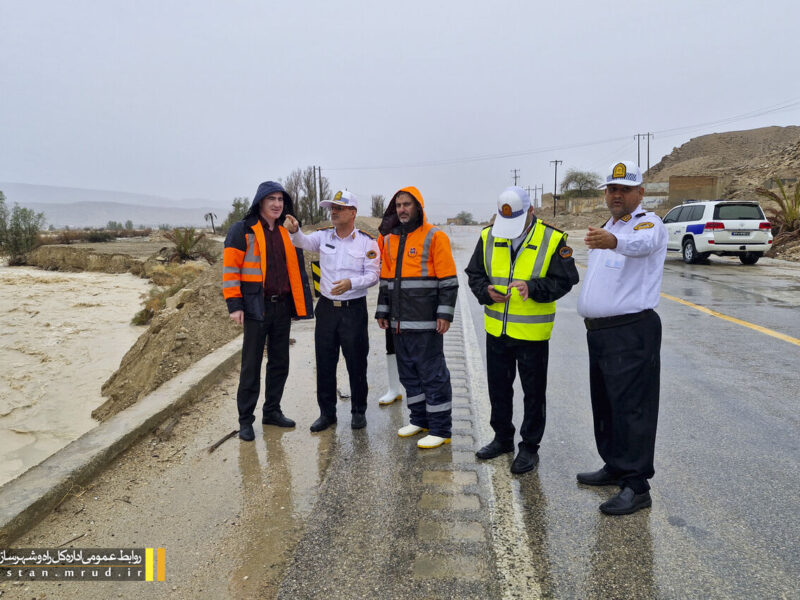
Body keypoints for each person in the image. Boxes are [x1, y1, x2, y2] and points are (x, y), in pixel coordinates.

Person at [576, 160, 668, 515]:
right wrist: (610, 235)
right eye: (612, 189)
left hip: (631, 330)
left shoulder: (647, 224)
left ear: (640, 193)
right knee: (606, 404)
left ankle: (636, 484)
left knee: (632, 408)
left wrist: (614, 240)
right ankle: (614, 465)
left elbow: (641, 243)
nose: (616, 195)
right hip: (601, 334)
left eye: (624, 189)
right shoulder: (608, 225)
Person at [466, 187, 579, 473]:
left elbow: (566, 280)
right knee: (499, 390)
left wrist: (534, 288)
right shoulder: (488, 235)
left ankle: (529, 447)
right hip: (497, 331)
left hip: (532, 335)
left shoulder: (553, 239)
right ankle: (503, 438)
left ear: (531, 212)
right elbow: (475, 274)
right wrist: (486, 291)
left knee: (533, 393)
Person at [223, 181, 313, 441]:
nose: (277, 204)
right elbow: (231, 272)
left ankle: (272, 411)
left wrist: (299, 305)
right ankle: (245, 421)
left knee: (279, 362)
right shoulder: (242, 231)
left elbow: (296, 270)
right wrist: (235, 305)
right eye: (271, 199)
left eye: (280, 200)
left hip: (282, 307)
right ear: (260, 202)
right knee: (250, 366)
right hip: (255, 308)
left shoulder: (287, 232)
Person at [283, 190, 381, 432]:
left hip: (353, 310)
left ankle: (358, 411)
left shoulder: (367, 241)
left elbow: (373, 275)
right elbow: (303, 243)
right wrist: (294, 230)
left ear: (353, 212)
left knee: (356, 363)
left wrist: (352, 283)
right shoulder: (323, 236)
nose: (333, 212)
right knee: (325, 362)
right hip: (326, 310)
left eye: (339, 207)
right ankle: (327, 414)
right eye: (331, 208)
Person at [375, 186, 458, 449]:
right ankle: (419, 419)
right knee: (409, 375)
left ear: (417, 207)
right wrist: (382, 311)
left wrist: (444, 314)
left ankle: (441, 428)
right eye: (398, 205)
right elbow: (386, 280)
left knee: (432, 375)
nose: (402, 209)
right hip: (400, 323)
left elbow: (448, 281)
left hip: (426, 323)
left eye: (407, 204)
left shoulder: (435, 236)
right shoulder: (389, 240)